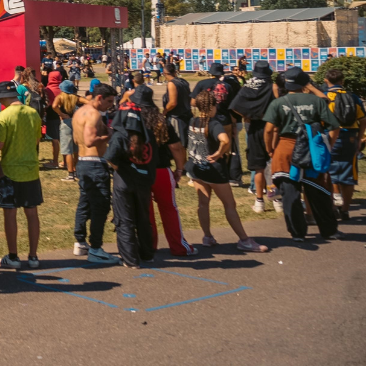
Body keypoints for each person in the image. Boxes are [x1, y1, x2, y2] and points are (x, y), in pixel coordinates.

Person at [264, 67, 340, 241]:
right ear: (304, 82)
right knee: (318, 192)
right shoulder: (317, 101)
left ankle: (297, 232)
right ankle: (329, 230)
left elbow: (269, 130)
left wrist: (270, 149)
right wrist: (328, 146)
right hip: (312, 150)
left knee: (290, 194)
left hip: (285, 150)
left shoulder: (278, 103)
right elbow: (334, 127)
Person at [187, 90, 269, 253]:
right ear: (212, 106)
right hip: (214, 171)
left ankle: (207, 236)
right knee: (229, 205)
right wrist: (219, 153)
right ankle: (244, 240)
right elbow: (224, 140)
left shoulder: (193, 121)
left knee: (203, 203)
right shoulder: (214, 123)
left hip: (196, 167)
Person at [0, 80, 43, 269]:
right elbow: (37, 139)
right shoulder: (33, 113)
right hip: (31, 169)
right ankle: (33, 256)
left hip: (9, 171)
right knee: (32, 214)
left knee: (10, 214)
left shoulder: (3, 116)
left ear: (2, 97)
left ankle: (13, 256)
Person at [137, 85, 194, 258]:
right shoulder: (161, 121)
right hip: (162, 170)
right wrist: (179, 168)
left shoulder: (134, 121)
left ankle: (149, 245)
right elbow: (176, 147)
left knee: (146, 212)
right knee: (169, 209)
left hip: (141, 171)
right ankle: (178, 246)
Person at [105, 86, 159, 268]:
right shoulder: (148, 133)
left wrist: (119, 168)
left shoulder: (121, 136)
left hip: (125, 182)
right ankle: (147, 253)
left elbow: (110, 158)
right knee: (143, 218)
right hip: (144, 181)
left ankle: (130, 258)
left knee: (125, 219)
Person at [71, 84, 119, 263]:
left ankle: (80, 241)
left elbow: (77, 139)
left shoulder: (79, 112)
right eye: (108, 101)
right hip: (94, 163)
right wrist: (110, 135)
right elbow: (89, 140)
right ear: (99, 98)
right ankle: (96, 248)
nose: (110, 105)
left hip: (83, 162)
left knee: (85, 202)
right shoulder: (94, 114)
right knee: (101, 206)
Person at [230, 60, 278, 213]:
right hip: (270, 125)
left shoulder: (248, 85)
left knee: (258, 167)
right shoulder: (272, 86)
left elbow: (235, 105)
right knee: (273, 164)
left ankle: (259, 201)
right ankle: (277, 199)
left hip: (253, 127)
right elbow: (278, 104)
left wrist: (248, 115)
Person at [322, 68, 362, 221]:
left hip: (330, 137)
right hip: (349, 137)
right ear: (342, 81)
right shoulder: (353, 97)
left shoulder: (325, 97)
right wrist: (359, 139)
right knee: (348, 175)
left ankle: (332, 207)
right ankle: (345, 210)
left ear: (326, 81)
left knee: (328, 173)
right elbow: (363, 120)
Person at [53, 80, 80, 181]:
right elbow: (88, 101)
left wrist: (61, 114)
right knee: (76, 149)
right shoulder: (76, 98)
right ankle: (76, 171)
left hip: (66, 123)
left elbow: (54, 106)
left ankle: (70, 174)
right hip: (76, 122)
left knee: (67, 149)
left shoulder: (60, 97)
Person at [41, 71, 64, 170]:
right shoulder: (63, 89)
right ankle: (65, 160)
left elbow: (46, 104)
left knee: (54, 140)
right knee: (63, 139)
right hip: (63, 116)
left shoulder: (47, 89)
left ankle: (55, 161)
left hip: (52, 116)